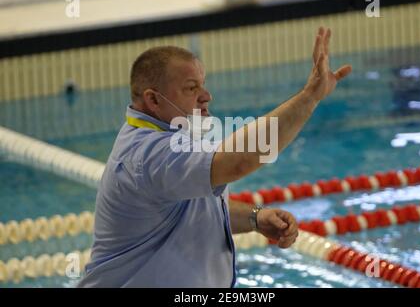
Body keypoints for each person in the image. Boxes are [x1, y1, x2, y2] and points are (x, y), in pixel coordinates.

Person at [77, 27, 352, 287]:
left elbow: (194, 209)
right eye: (191, 88)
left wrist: (256, 218)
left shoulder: (173, 134)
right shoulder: (151, 153)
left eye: (203, 85)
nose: (206, 96)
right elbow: (239, 161)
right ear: (154, 99)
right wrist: (310, 97)